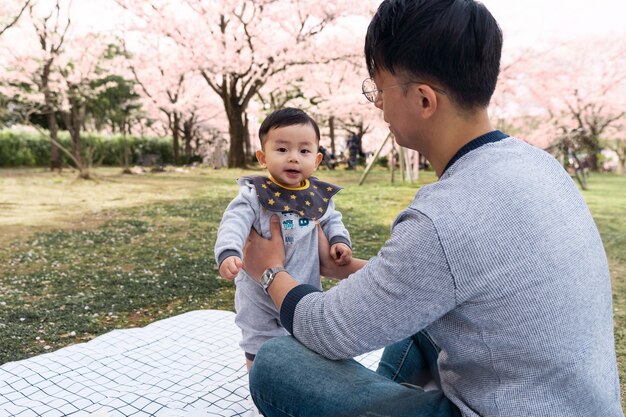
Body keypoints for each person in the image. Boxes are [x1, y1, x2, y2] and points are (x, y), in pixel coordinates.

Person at [240, 1, 624, 416]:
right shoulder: (540, 165)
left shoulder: (444, 217)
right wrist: (350, 269)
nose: (377, 106)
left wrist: (269, 270)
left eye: (379, 90)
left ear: (424, 100)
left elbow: (327, 330)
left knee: (277, 362)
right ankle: (383, 393)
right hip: (574, 402)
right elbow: (451, 278)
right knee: (416, 317)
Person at [214, 107, 352, 371]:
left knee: (303, 339)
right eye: (282, 150)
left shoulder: (317, 196)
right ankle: (259, 385)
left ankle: (295, 381)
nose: (293, 158)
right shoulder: (254, 194)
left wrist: (339, 241)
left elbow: (332, 219)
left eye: (304, 151)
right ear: (262, 157)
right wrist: (229, 252)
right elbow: (234, 222)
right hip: (257, 293)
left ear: (318, 159)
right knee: (258, 342)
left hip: (303, 285)